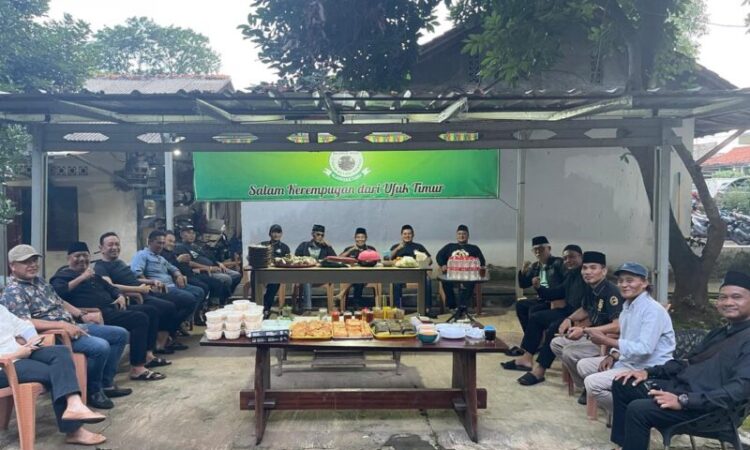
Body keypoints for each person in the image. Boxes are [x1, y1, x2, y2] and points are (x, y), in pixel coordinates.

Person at [610, 270, 750, 450]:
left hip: (709, 409)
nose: (728, 302)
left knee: (639, 410)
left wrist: (684, 400)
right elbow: (687, 362)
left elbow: (739, 389)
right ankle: (625, 445)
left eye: (736, 297)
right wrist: (647, 372)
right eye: (723, 297)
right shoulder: (719, 333)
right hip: (685, 389)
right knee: (623, 383)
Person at [0, 244, 131, 410]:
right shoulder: (13, 291)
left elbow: (59, 302)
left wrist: (82, 314)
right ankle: (93, 390)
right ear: (13, 266)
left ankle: (105, 384)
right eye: (26, 262)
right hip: (55, 335)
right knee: (100, 346)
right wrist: (61, 325)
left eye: (34, 260)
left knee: (120, 334)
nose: (32, 265)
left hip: (72, 324)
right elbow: (25, 322)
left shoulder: (40, 281)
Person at [50, 242, 167, 381]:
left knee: (151, 310)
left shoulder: (94, 276)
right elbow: (58, 294)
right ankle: (137, 368)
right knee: (139, 319)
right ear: (69, 258)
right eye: (77, 256)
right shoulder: (61, 277)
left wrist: (119, 296)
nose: (82, 259)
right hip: (94, 314)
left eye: (85, 256)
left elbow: (111, 288)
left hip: (112, 308)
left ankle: (148, 355)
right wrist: (81, 277)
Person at [0, 304, 108, 445]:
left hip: (20, 353)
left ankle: (74, 403)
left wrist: (32, 338)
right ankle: (74, 429)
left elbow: (23, 325)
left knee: (60, 352)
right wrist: (15, 354)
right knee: (58, 373)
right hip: (4, 365)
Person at [577, 262, 675, 414]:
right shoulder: (627, 306)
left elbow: (644, 348)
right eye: (621, 281)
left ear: (644, 283)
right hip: (628, 361)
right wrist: (613, 355)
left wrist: (605, 341)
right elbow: (626, 337)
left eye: (630, 280)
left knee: (592, 383)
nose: (624, 285)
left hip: (648, 367)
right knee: (584, 365)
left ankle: (632, 414)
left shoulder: (652, 310)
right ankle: (622, 408)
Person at [501, 244, 584, 385]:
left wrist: (571, 318)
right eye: (565, 258)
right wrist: (538, 287)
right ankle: (527, 358)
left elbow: (587, 307)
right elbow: (556, 293)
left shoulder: (586, 278)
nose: (568, 261)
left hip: (579, 317)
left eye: (572, 257)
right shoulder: (571, 275)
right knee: (536, 317)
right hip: (567, 311)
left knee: (553, 327)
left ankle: (540, 370)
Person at [95, 232, 188, 353]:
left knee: (182, 301)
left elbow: (134, 280)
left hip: (145, 291)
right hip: (134, 297)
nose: (115, 247)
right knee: (167, 307)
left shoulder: (119, 262)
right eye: (110, 245)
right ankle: (158, 345)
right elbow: (110, 286)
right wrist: (138, 290)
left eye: (117, 244)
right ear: (101, 248)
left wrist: (152, 281)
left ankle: (165, 340)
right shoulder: (101, 266)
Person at [549, 251, 622, 396]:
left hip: (608, 341)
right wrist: (569, 319)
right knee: (556, 343)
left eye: (593, 268)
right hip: (593, 335)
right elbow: (585, 309)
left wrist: (584, 331)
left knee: (569, 352)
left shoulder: (612, 292)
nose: (588, 272)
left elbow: (617, 326)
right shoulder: (591, 287)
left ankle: (590, 387)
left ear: (604, 271)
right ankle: (585, 384)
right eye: (585, 268)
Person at [130, 230, 204, 332]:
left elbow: (173, 268)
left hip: (172, 285)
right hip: (160, 288)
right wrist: (149, 285)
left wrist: (179, 276)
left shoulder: (160, 258)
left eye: (163, 243)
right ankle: (170, 329)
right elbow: (137, 274)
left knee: (199, 291)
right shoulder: (142, 255)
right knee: (189, 299)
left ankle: (175, 325)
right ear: (150, 242)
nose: (161, 246)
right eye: (158, 243)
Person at [164, 230, 226, 315]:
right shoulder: (177, 249)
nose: (172, 244)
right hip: (182, 277)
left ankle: (209, 308)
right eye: (170, 241)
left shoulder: (175, 251)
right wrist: (179, 262)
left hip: (190, 274)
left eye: (173, 242)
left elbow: (182, 265)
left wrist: (215, 264)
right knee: (203, 288)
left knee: (214, 283)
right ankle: (196, 313)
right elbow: (169, 267)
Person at [515, 235, 566, 336]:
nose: (538, 252)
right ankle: (530, 335)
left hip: (554, 298)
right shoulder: (535, 266)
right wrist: (522, 273)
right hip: (542, 298)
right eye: (535, 250)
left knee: (534, 310)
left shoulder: (558, 263)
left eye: (541, 249)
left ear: (549, 249)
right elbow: (523, 285)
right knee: (520, 305)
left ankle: (534, 337)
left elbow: (566, 283)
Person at [176, 225, 241, 299]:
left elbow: (210, 257)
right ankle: (221, 299)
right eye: (188, 233)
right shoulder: (180, 247)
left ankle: (227, 296)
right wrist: (209, 268)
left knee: (236, 275)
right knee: (226, 278)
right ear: (182, 235)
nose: (192, 235)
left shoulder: (196, 246)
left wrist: (219, 263)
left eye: (193, 233)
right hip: (203, 271)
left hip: (214, 267)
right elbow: (189, 263)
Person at [436, 225, 486, 310]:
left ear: (468, 235)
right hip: (452, 274)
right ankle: (452, 306)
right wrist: (443, 264)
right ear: (456, 235)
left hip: (468, 275)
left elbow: (482, 262)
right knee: (446, 282)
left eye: (464, 234)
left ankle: (462, 307)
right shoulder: (450, 246)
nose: (461, 236)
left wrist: (479, 268)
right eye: (459, 234)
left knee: (470, 283)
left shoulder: (474, 248)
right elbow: (439, 256)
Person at [389, 224, 435, 317]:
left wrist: (423, 260)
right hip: (400, 274)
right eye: (405, 234)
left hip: (417, 274)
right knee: (396, 282)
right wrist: (398, 248)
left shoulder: (418, 246)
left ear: (413, 235)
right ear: (401, 235)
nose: (407, 236)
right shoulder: (396, 246)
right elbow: (388, 258)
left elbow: (430, 260)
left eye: (409, 234)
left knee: (427, 280)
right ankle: (398, 309)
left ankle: (427, 309)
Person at [294, 224, 336, 310]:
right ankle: (307, 308)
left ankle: (307, 308)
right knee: (306, 279)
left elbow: (334, 259)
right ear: (313, 234)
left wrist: (329, 247)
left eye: (322, 235)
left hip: (321, 276)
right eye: (318, 234)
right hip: (306, 275)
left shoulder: (325, 247)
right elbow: (295, 259)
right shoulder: (304, 245)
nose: (320, 237)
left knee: (307, 279)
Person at [336, 227, 377, 308]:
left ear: (366, 238)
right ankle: (355, 304)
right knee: (357, 278)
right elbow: (339, 258)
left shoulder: (370, 249)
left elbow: (377, 260)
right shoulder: (349, 249)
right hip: (350, 275)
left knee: (359, 278)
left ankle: (343, 294)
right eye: (358, 237)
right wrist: (350, 250)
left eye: (362, 237)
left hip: (367, 275)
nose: (360, 239)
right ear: (355, 238)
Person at [258, 224, 291, 316]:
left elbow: (288, 261)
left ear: (281, 234)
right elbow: (253, 256)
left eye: (278, 232)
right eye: (274, 232)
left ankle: (265, 308)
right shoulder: (263, 245)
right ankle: (257, 307)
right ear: (270, 234)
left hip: (276, 274)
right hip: (262, 272)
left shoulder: (285, 247)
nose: (276, 234)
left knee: (274, 282)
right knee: (254, 276)